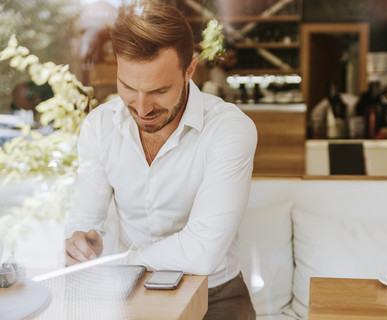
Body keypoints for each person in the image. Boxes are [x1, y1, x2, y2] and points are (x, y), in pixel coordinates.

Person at [64, 2, 257, 319]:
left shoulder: (229, 129)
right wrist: (81, 244)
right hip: (130, 288)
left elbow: (202, 252)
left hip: (215, 294)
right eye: (128, 87)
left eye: (159, 90)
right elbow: (86, 217)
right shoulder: (100, 126)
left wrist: (121, 261)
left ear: (190, 69)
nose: (141, 108)